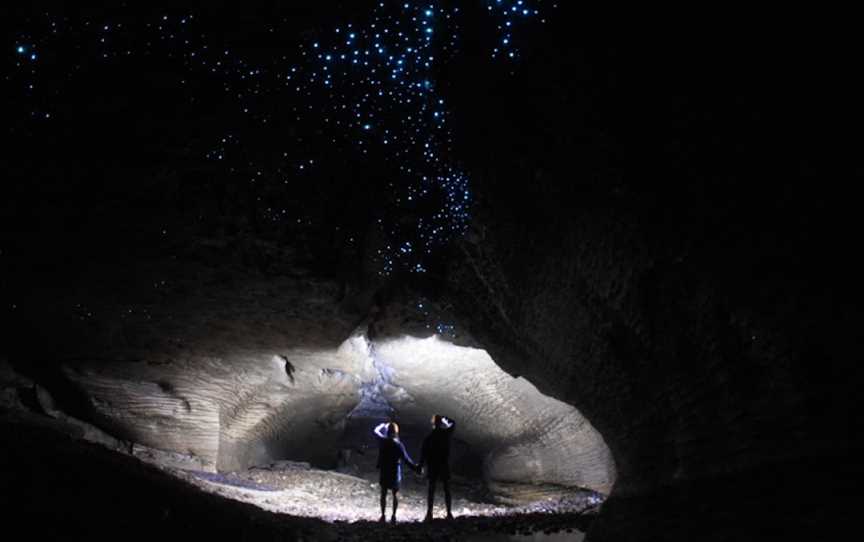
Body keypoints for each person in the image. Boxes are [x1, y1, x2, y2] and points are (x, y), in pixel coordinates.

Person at [373, 421, 418, 523]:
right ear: (397, 432)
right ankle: (393, 516)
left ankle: (383, 515)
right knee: (395, 494)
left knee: (383, 493)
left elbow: (375, 431)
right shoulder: (399, 445)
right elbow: (406, 460)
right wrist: (416, 468)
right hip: (394, 471)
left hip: (385, 470)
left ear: (387, 431)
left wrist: (381, 425)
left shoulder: (383, 441)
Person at [418, 414, 456, 521]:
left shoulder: (429, 437)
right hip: (443, 464)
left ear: (433, 423)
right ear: (441, 423)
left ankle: (429, 514)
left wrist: (420, 466)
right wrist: (445, 418)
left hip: (433, 465)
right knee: (446, 489)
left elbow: (423, 454)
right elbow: (453, 423)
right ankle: (449, 513)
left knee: (431, 489)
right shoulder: (446, 434)